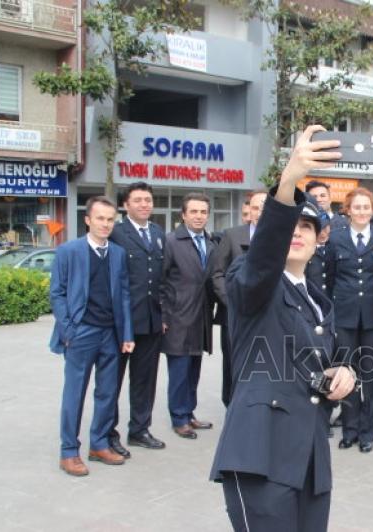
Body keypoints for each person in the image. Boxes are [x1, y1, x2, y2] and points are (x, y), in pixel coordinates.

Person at [210, 125, 356, 532]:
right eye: (291, 226)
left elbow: (326, 362)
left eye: (307, 227)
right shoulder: (251, 279)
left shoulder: (318, 300)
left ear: (319, 239)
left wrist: (345, 374)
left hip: (310, 457)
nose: (297, 233)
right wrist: (289, 180)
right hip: (262, 454)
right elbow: (263, 259)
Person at [49, 196, 135, 476]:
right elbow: (57, 293)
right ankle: (68, 451)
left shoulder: (118, 254)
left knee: (108, 393)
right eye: (100, 218)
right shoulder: (69, 251)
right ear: (88, 220)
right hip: (81, 333)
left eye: (110, 219)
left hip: (110, 334)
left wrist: (126, 333)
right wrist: (69, 331)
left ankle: (99, 444)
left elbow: (123, 295)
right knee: (75, 393)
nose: (106, 224)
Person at [328, 187, 373, 453]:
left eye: (366, 207)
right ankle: (350, 429)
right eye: (357, 207)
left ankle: (368, 432)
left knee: (372, 375)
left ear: (372, 210)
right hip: (344, 315)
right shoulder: (336, 239)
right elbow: (329, 278)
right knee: (347, 373)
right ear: (348, 210)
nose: (362, 212)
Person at [107, 182, 167, 458]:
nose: (144, 205)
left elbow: (161, 277)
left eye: (148, 200)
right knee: (112, 381)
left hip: (152, 320)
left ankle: (140, 429)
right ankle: (108, 434)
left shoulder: (157, 232)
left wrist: (163, 314)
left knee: (145, 379)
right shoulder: (117, 233)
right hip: (122, 323)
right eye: (138, 200)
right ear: (126, 205)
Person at [160, 193, 217, 439]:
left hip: (201, 317)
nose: (198, 216)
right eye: (193, 212)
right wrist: (163, 315)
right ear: (183, 215)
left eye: (203, 212)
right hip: (178, 318)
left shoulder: (212, 242)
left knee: (194, 369)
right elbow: (160, 282)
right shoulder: (171, 242)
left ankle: (189, 413)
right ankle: (178, 417)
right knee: (179, 372)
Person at [211, 189, 267, 406]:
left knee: (264, 364)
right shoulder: (232, 236)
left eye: (265, 208)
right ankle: (232, 407)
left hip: (267, 315)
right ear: (248, 211)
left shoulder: (283, 236)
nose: (260, 212)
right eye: (255, 208)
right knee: (233, 365)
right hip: (234, 314)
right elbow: (217, 274)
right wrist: (233, 301)